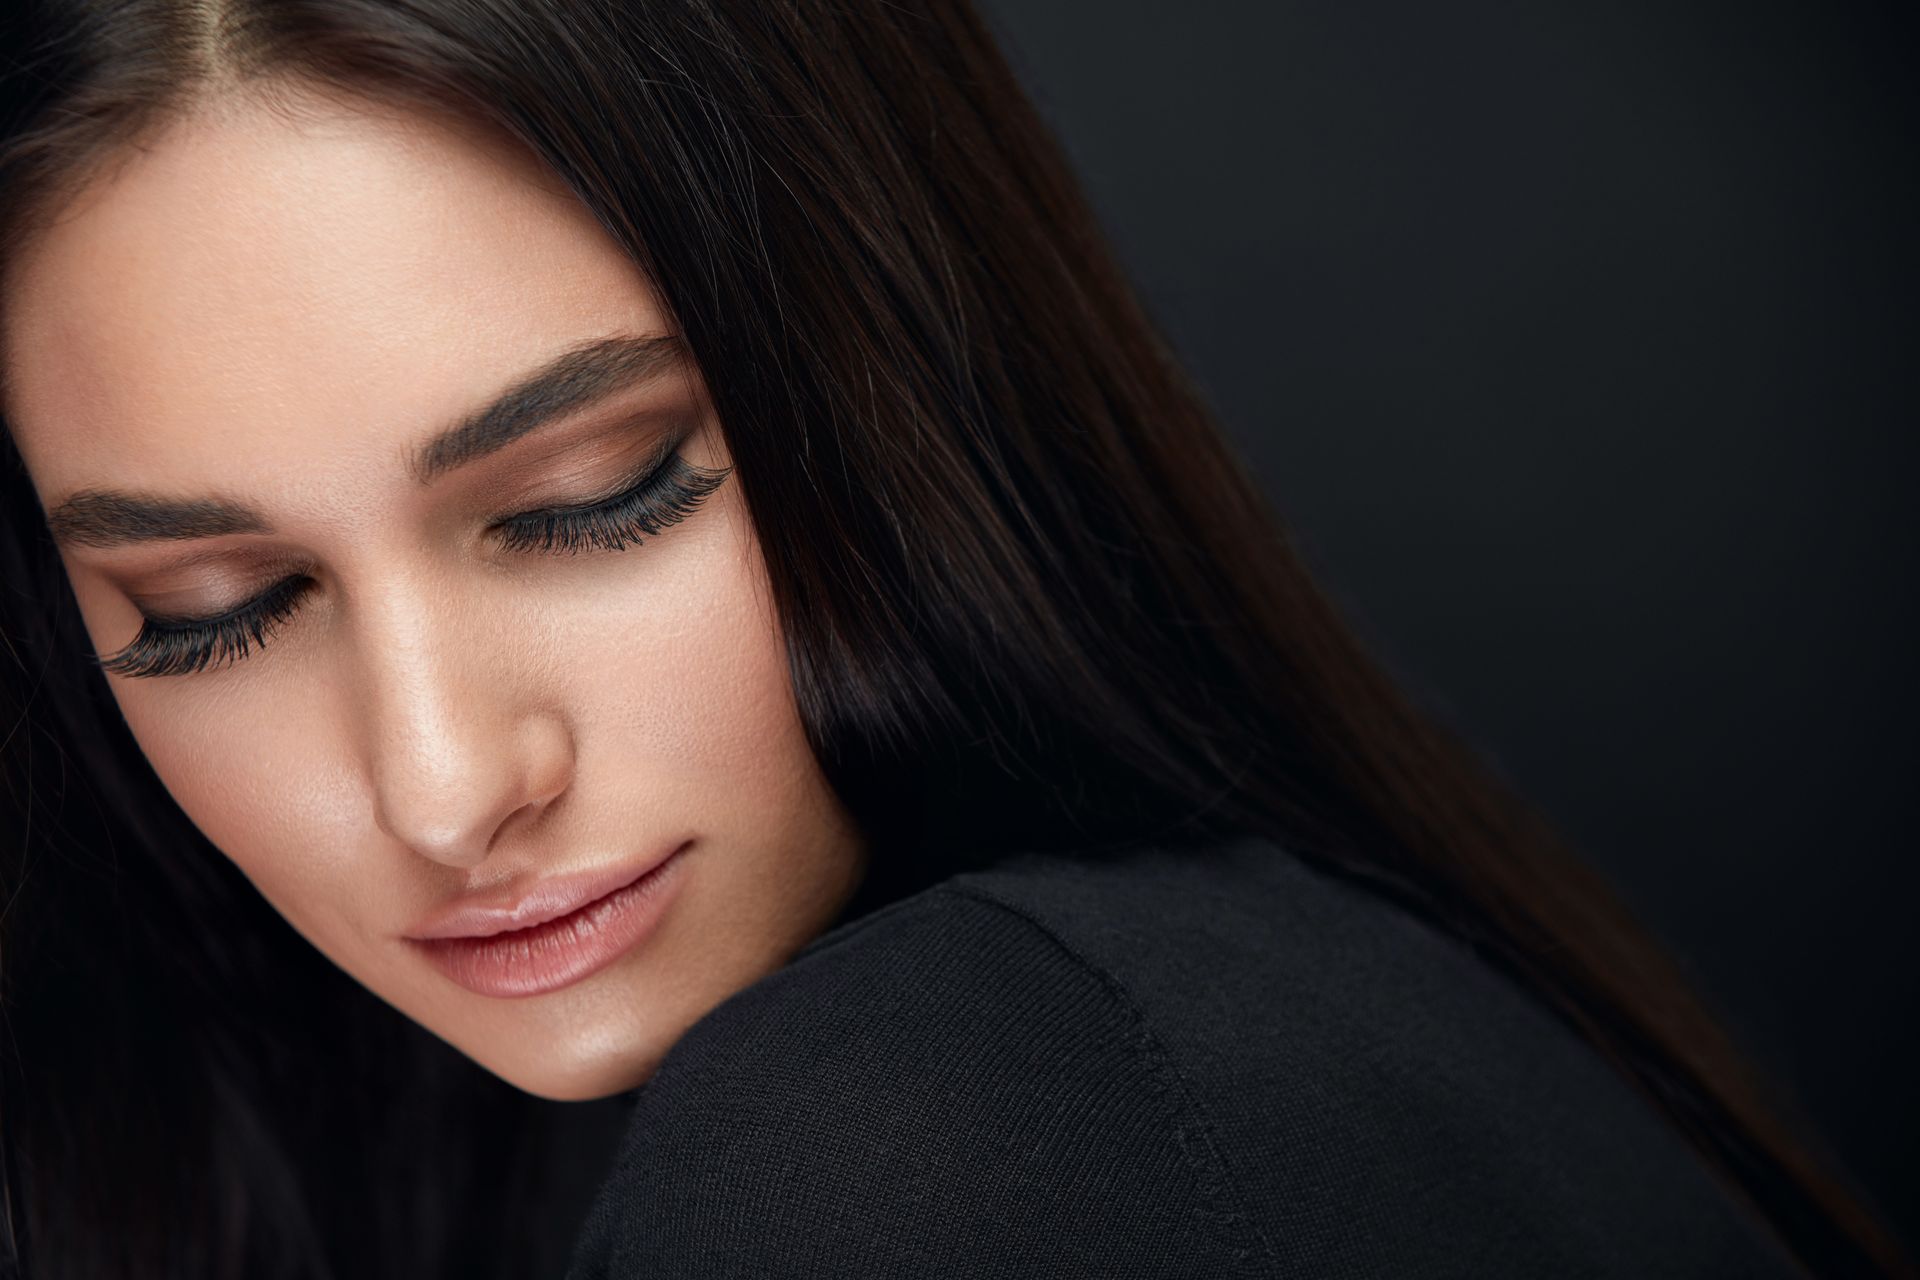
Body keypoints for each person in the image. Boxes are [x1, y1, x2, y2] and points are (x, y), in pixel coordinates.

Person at [0, 2, 1906, 1277]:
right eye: (213, 615)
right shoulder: (1209, 1015)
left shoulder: (949, 1132)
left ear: (897, 389)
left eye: (595, 499)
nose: (440, 785)